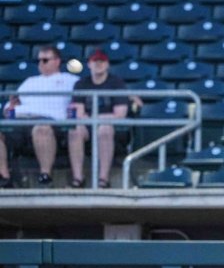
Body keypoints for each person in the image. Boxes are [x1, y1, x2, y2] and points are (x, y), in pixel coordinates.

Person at [0, 44, 79, 188]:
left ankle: (45, 175)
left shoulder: (70, 80)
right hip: (21, 119)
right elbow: (10, 105)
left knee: (41, 129)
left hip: (50, 121)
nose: (41, 64)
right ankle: (4, 177)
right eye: (39, 60)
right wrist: (9, 107)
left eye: (45, 60)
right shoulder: (30, 81)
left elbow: (81, 101)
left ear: (57, 61)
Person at [67, 49, 129, 189]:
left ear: (107, 64)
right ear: (89, 64)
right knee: (74, 131)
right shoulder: (82, 83)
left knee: (104, 130)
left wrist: (95, 117)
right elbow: (79, 112)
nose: (98, 64)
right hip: (88, 124)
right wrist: (92, 118)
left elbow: (120, 114)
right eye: (95, 61)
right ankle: (78, 178)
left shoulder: (116, 83)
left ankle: (103, 179)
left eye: (102, 61)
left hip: (111, 126)